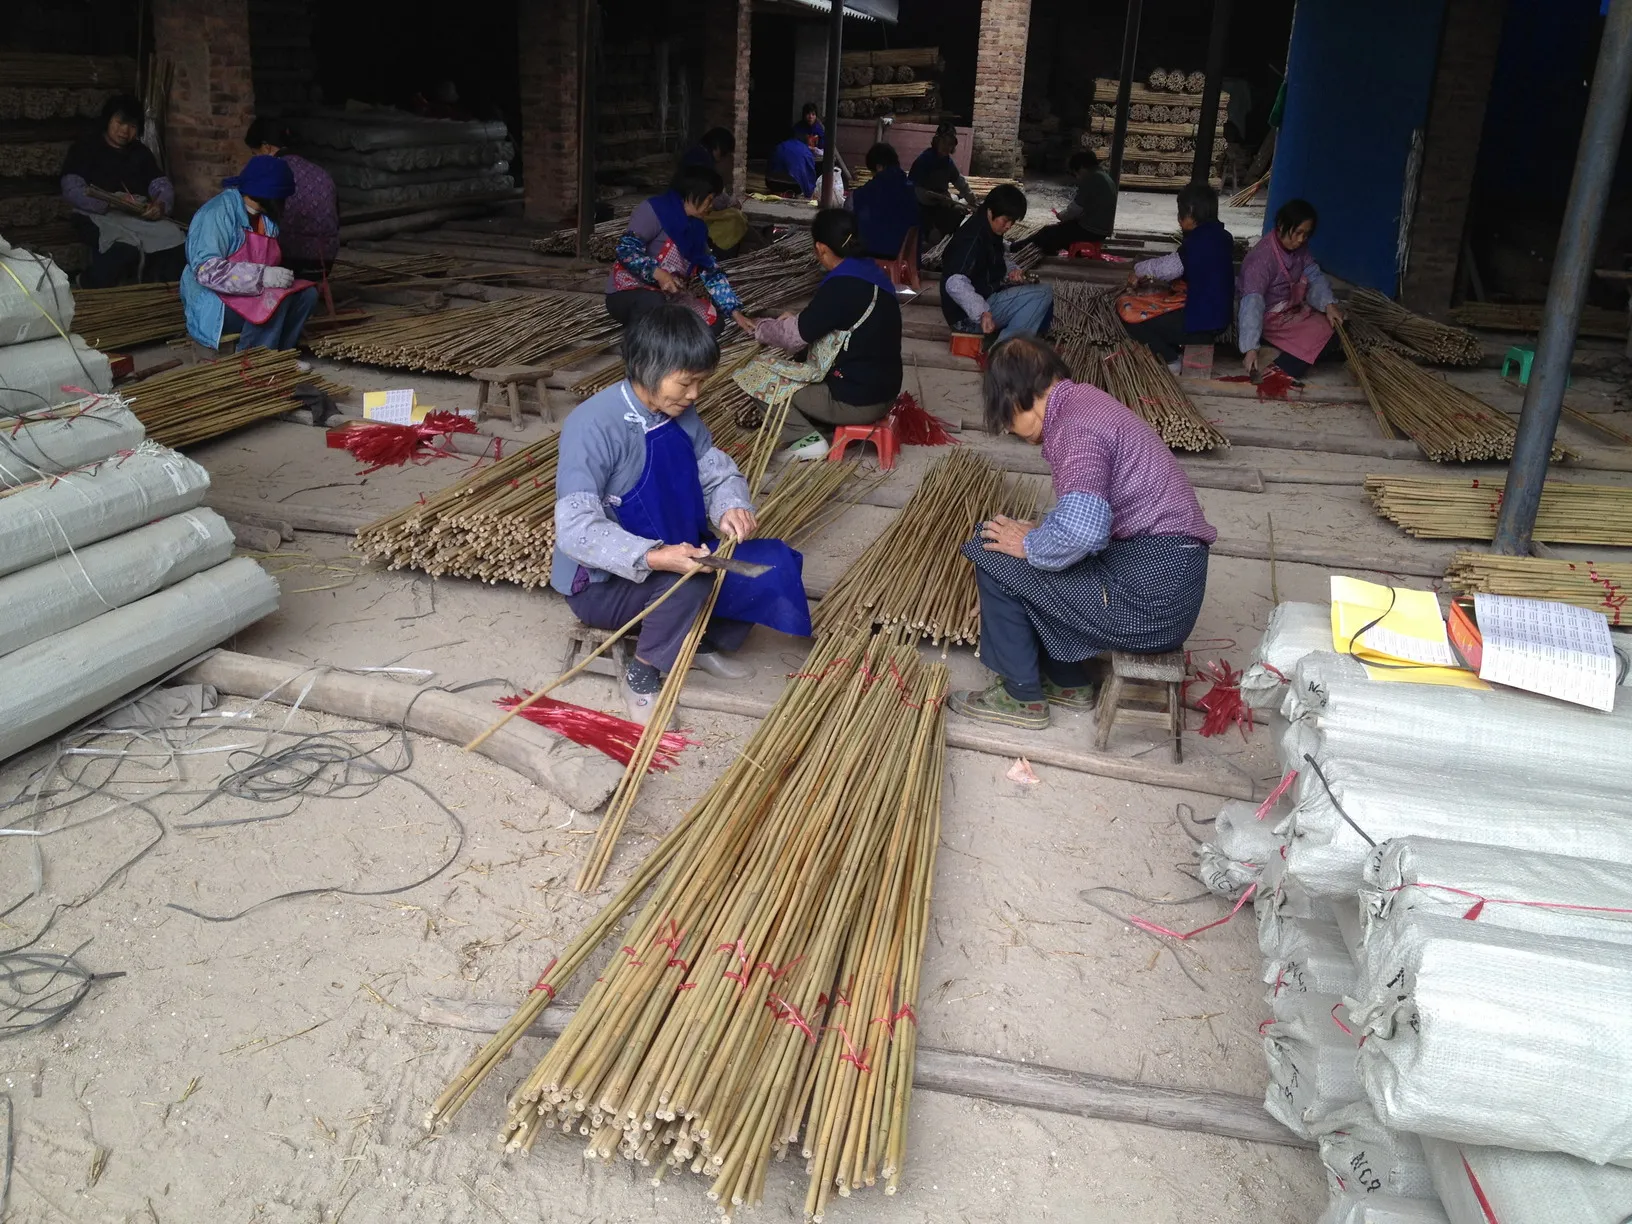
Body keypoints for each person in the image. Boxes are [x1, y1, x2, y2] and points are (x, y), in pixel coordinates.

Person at [551, 302, 813, 723]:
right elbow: (575, 529)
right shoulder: (592, 426)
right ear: (646, 366)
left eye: (700, 382)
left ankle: (698, 640)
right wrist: (655, 557)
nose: (694, 395)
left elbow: (716, 471)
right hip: (603, 583)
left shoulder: (681, 413)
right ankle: (642, 674)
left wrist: (731, 506)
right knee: (688, 582)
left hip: (681, 547)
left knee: (772, 561)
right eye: (686, 382)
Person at [948, 336, 1216, 729]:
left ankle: (1021, 696)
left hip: (1150, 604)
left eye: (1005, 415)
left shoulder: (1075, 427)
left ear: (1017, 395)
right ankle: (1068, 682)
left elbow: (1083, 531)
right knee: (1028, 549)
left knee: (992, 549)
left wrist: (1029, 543)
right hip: (1165, 587)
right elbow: (1091, 520)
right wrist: (1041, 533)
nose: (1007, 427)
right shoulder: (1085, 403)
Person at [745, 208, 904, 460]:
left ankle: (804, 441)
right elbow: (833, 318)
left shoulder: (841, 286)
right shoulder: (873, 275)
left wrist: (761, 328)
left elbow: (793, 337)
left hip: (857, 403)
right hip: (884, 394)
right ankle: (822, 427)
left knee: (754, 375)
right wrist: (797, 319)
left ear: (821, 248)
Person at [180, 155, 319, 353]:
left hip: (251, 296)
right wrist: (261, 276)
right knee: (275, 301)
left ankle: (281, 353)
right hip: (216, 305)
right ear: (269, 196)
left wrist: (275, 277)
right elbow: (205, 271)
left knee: (307, 295)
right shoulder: (215, 214)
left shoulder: (266, 218)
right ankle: (253, 359)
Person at [605, 164, 754, 337]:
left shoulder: (697, 228)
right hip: (628, 292)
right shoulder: (654, 210)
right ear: (695, 193)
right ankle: (639, 344)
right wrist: (659, 274)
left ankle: (668, 339)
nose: (711, 206)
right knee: (653, 303)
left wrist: (735, 313)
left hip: (670, 297)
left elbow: (711, 272)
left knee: (713, 324)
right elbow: (626, 250)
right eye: (709, 199)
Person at [60, 93, 185, 287]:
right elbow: (71, 188)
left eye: (132, 126)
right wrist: (109, 202)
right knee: (124, 247)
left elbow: (161, 184)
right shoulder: (86, 147)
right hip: (95, 214)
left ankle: (163, 290)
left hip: (135, 214)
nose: (125, 131)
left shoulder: (140, 152)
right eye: (120, 123)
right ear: (108, 120)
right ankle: (87, 283)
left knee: (175, 237)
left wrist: (160, 204)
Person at [1115, 182, 1235, 368]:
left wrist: (1139, 270)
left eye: (1180, 212)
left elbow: (1169, 268)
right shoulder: (1224, 237)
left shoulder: (1197, 242)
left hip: (1198, 323)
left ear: (1191, 211)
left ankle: (1170, 358)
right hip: (1220, 320)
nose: (1178, 219)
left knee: (1127, 311)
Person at [1237, 198, 1344, 379]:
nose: (1301, 239)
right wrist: (1250, 348)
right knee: (1317, 340)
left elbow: (1314, 276)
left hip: (1292, 311)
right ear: (1281, 225)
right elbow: (1252, 305)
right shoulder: (1261, 259)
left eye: (1306, 234)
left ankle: (1295, 352)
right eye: (1298, 232)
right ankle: (1281, 366)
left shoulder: (1300, 249)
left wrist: (1328, 304)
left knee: (1339, 325)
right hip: (1268, 319)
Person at [940, 184, 1054, 344]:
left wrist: (1013, 271)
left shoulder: (988, 227)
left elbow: (997, 258)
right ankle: (1006, 348)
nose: (1008, 226)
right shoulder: (972, 239)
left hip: (983, 299)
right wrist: (982, 312)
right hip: (967, 317)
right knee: (1043, 293)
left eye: (1012, 222)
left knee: (1036, 291)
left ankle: (1016, 341)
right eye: (1006, 220)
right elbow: (954, 283)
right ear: (991, 210)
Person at [244, 118, 338, 276]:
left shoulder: (271, 174)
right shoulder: (320, 173)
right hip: (324, 261)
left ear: (266, 147)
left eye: (255, 154)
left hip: (287, 262)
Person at [1012, 150, 1118, 257]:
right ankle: (1074, 253)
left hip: (1091, 230)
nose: (1077, 177)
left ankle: (1016, 247)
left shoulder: (1092, 179)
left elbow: (1075, 209)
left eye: (1076, 173)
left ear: (1081, 168)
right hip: (1102, 229)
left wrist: (1062, 216)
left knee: (1047, 232)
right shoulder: (1104, 176)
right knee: (1062, 229)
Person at [680, 127, 757, 256]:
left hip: (692, 205)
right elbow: (712, 196)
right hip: (690, 210)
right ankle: (723, 258)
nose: (723, 158)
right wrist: (729, 203)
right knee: (735, 219)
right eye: (725, 153)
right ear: (717, 146)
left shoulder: (698, 155)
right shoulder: (701, 161)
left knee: (736, 216)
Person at [909, 125, 975, 246]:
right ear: (937, 141)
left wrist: (970, 196)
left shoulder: (947, 163)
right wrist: (932, 197)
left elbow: (958, 181)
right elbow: (914, 188)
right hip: (921, 206)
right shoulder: (924, 160)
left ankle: (941, 239)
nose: (947, 147)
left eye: (950, 144)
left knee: (958, 212)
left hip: (939, 205)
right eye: (944, 142)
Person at [851, 142, 919, 261]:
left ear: (879, 167)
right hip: (907, 254)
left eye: (873, 172)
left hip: (878, 253)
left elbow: (855, 206)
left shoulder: (872, 189)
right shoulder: (910, 188)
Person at [766, 127, 820, 199]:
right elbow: (810, 174)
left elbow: (769, 168)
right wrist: (809, 193)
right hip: (795, 186)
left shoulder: (779, 146)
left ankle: (780, 192)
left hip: (773, 184)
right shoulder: (805, 150)